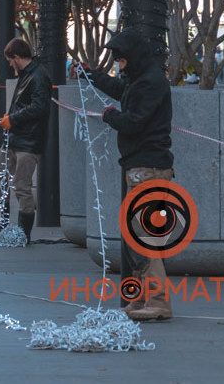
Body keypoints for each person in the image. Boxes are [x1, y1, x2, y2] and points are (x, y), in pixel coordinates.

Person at [80, 30, 175, 322]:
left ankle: (157, 301)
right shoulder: (142, 79)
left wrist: (110, 117)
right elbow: (123, 92)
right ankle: (143, 299)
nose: (119, 64)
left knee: (144, 237)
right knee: (138, 237)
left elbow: (134, 122)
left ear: (132, 56)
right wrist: (93, 76)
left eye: (121, 59)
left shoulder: (150, 82)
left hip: (147, 167)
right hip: (140, 165)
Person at [0, 38, 51, 241]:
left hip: (28, 140)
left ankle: (23, 232)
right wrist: (11, 119)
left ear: (17, 57)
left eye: (11, 60)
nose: (10, 65)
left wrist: (13, 119)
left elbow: (40, 107)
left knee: (22, 186)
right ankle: (2, 221)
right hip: (16, 137)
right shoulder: (28, 74)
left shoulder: (37, 75)